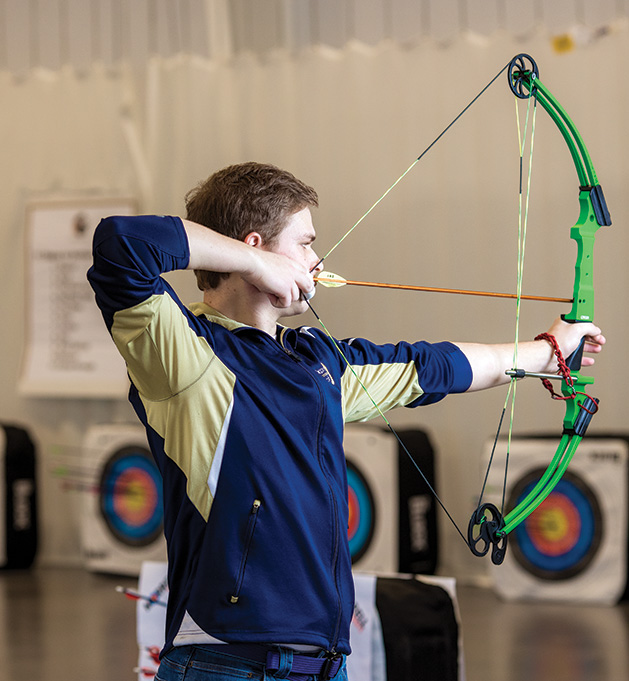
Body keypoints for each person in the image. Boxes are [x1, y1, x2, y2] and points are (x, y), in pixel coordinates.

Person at [87, 162, 605, 681]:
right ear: (254, 245)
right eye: (305, 242)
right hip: (228, 659)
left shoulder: (316, 364)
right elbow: (121, 245)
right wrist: (254, 262)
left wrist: (547, 353)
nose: (316, 259)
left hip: (323, 664)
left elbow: (429, 367)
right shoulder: (186, 355)